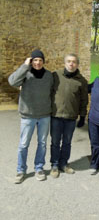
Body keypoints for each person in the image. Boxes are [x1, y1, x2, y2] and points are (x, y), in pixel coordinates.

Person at [8, 49, 53, 184]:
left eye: (40, 60)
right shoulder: (25, 74)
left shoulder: (49, 75)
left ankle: (39, 167)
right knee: (23, 144)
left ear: (43, 62)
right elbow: (12, 82)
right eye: (35, 60)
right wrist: (24, 65)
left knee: (43, 143)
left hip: (44, 115)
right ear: (31, 61)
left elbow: (53, 90)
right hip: (28, 116)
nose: (38, 62)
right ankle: (21, 170)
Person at [50, 53, 88, 178]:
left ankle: (64, 164)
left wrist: (82, 116)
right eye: (69, 61)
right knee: (55, 142)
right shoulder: (55, 75)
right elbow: (47, 91)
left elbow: (84, 100)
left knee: (67, 142)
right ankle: (54, 165)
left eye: (74, 62)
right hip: (56, 115)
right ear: (65, 63)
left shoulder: (81, 81)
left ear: (77, 64)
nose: (71, 64)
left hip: (71, 117)